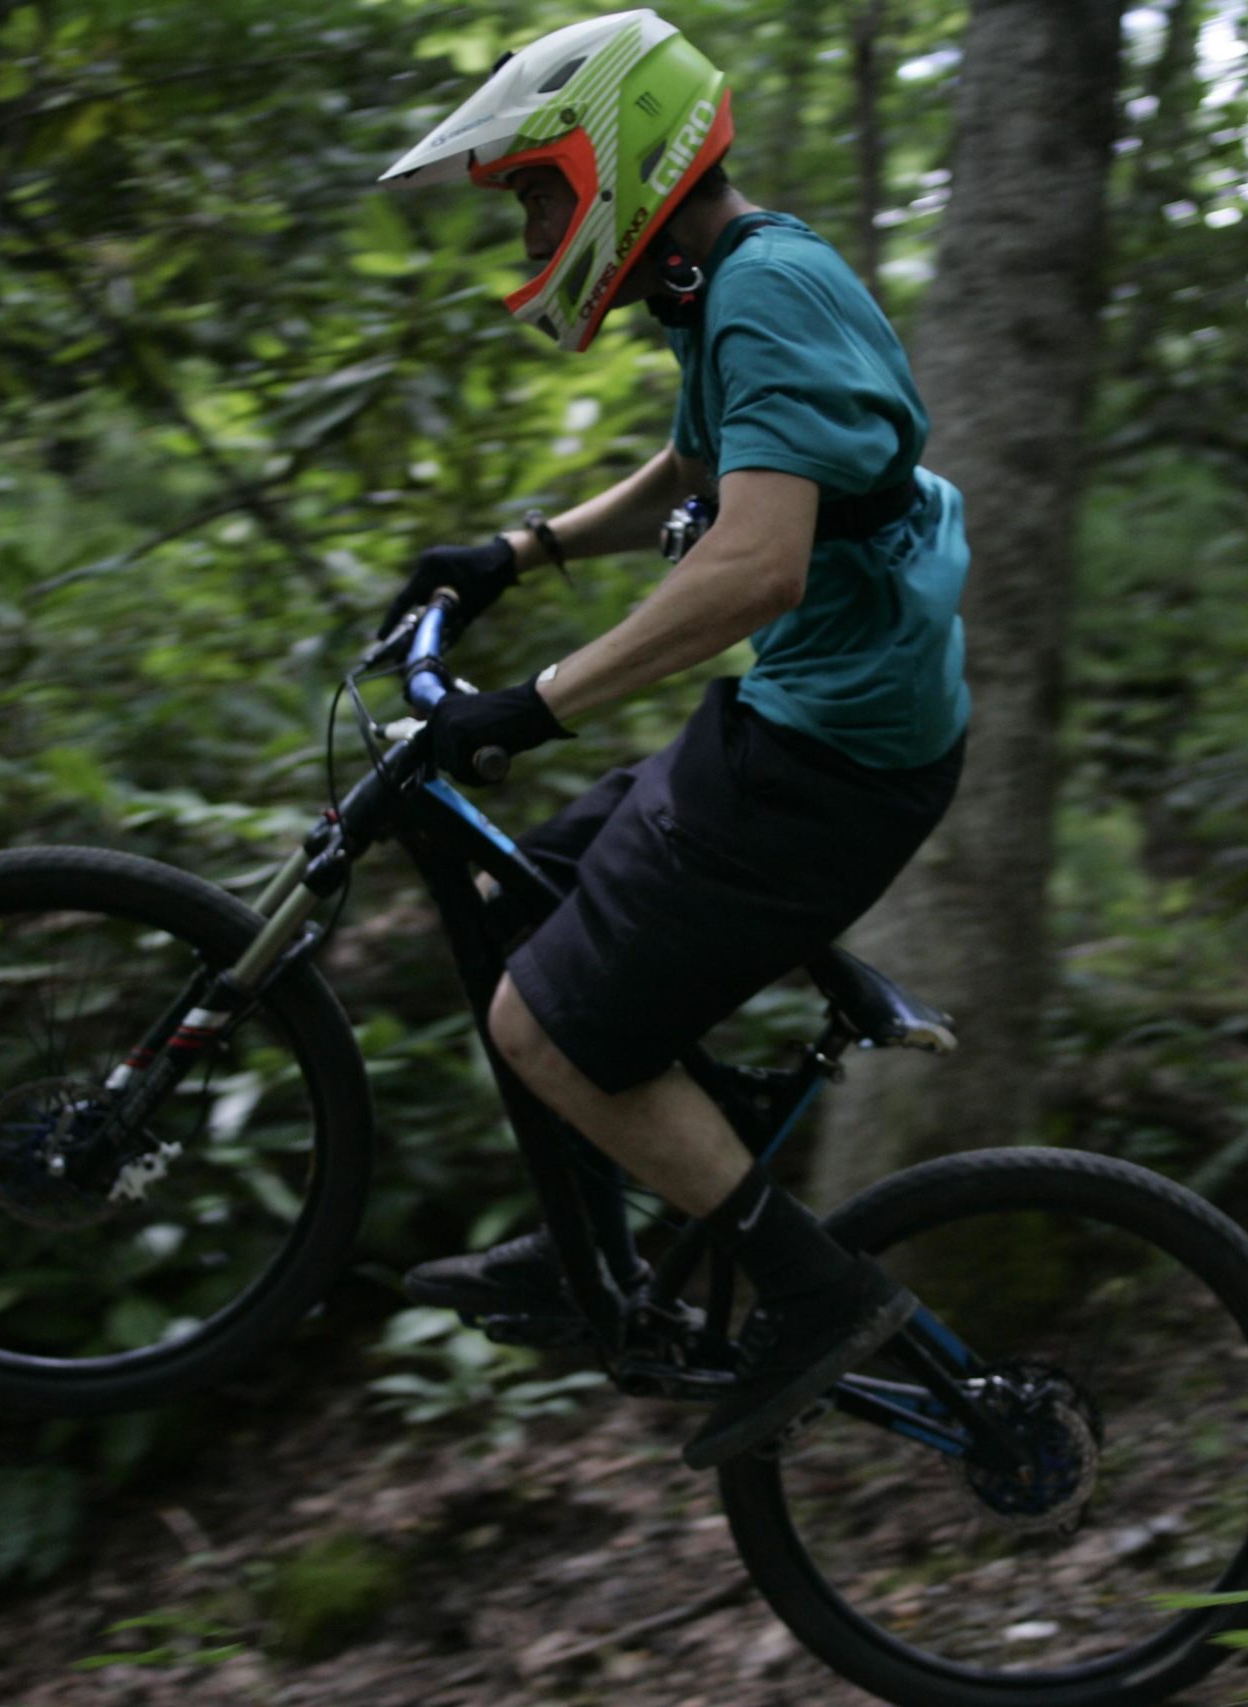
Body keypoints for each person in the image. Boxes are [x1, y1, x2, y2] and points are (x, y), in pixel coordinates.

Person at [374, 7, 970, 1470]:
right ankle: (603, 1256)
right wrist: (518, 553)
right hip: (813, 723)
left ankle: (813, 1293)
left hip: (831, 760)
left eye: (537, 191)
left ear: (620, 159)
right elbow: (705, 464)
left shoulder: (767, 288)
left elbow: (756, 563)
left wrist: (537, 700)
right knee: (531, 900)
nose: (532, 225)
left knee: (541, 1019)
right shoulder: (733, 288)